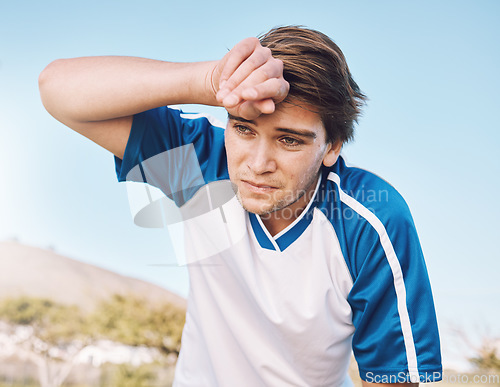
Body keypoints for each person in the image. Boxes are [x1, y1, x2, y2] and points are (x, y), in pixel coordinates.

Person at [39, 25, 442, 387]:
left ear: (331, 146)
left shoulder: (370, 220)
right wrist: (210, 80)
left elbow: (395, 379)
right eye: (244, 129)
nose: (256, 163)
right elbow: (56, 87)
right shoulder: (200, 163)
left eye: (289, 140)